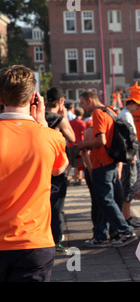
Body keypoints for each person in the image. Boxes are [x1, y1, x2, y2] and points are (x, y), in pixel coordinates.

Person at [0, 65, 68, 281]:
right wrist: (43, 125)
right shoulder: (50, 137)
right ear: (33, 98)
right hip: (34, 242)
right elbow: (58, 168)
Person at [77, 90, 137, 247]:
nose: (82, 107)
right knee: (105, 201)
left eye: (82, 103)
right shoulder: (110, 110)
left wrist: (83, 145)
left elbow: (101, 140)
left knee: (105, 200)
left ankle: (125, 230)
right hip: (111, 161)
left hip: (101, 163)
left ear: (90, 100)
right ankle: (100, 235)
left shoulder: (97, 113)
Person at [45, 87, 76, 253]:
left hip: (40, 168)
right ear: (61, 101)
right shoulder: (58, 119)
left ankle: (44, 238)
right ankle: (57, 242)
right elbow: (72, 138)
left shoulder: (36, 117)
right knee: (57, 207)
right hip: (57, 168)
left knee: (42, 206)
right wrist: (64, 118)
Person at [118, 84, 140, 229]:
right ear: (132, 102)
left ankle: (126, 216)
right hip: (129, 157)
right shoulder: (126, 115)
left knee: (129, 186)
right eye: (138, 104)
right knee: (128, 186)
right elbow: (129, 138)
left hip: (128, 156)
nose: (139, 107)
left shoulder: (125, 114)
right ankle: (126, 217)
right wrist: (132, 154)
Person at [67, 107, 87, 185]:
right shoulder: (82, 123)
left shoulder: (70, 122)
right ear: (82, 114)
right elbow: (85, 133)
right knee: (79, 162)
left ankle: (67, 176)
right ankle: (78, 178)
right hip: (79, 145)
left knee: (71, 162)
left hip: (70, 144)